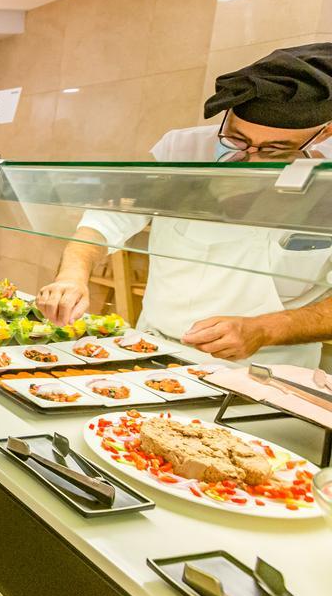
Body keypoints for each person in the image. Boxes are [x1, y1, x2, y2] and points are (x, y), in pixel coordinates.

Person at [38, 43, 332, 368]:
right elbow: (109, 218)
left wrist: (264, 330)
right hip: (153, 349)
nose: (250, 156)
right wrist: (72, 274)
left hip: (266, 368)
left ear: (325, 132)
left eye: (275, 149)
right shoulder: (183, 149)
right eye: (237, 139)